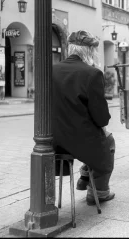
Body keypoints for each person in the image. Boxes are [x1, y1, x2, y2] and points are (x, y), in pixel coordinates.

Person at [52, 30, 115, 205]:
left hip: (53, 141)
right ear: (89, 52)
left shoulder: (51, 70)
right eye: (94, 51)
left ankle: (85, 176)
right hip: (80, 142)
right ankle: (100, 191)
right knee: (108, 141)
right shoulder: (92, 74)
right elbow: (102, 119)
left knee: (95, 140)